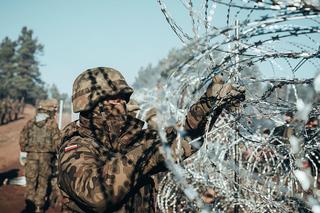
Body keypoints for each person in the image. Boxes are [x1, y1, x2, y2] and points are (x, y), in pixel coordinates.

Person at [57, 67, 245, 212]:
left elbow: (184, 139)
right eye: (114, 100)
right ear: (91, 105)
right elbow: (98, 196)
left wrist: (208, 106)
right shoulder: (76, 147)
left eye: (124, 99)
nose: (122, 105)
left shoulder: (132, 140)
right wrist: (148, 153)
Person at [20, 99, 61, 213]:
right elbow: (58, 142)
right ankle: (39, 207)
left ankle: (30, 205)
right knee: (43, 181)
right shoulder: (52, 124)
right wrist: (52, 152)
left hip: (31, 156)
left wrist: (27, 150)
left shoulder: (30, 122)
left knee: (31, 181)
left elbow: (22, 140)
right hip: (46, 158)